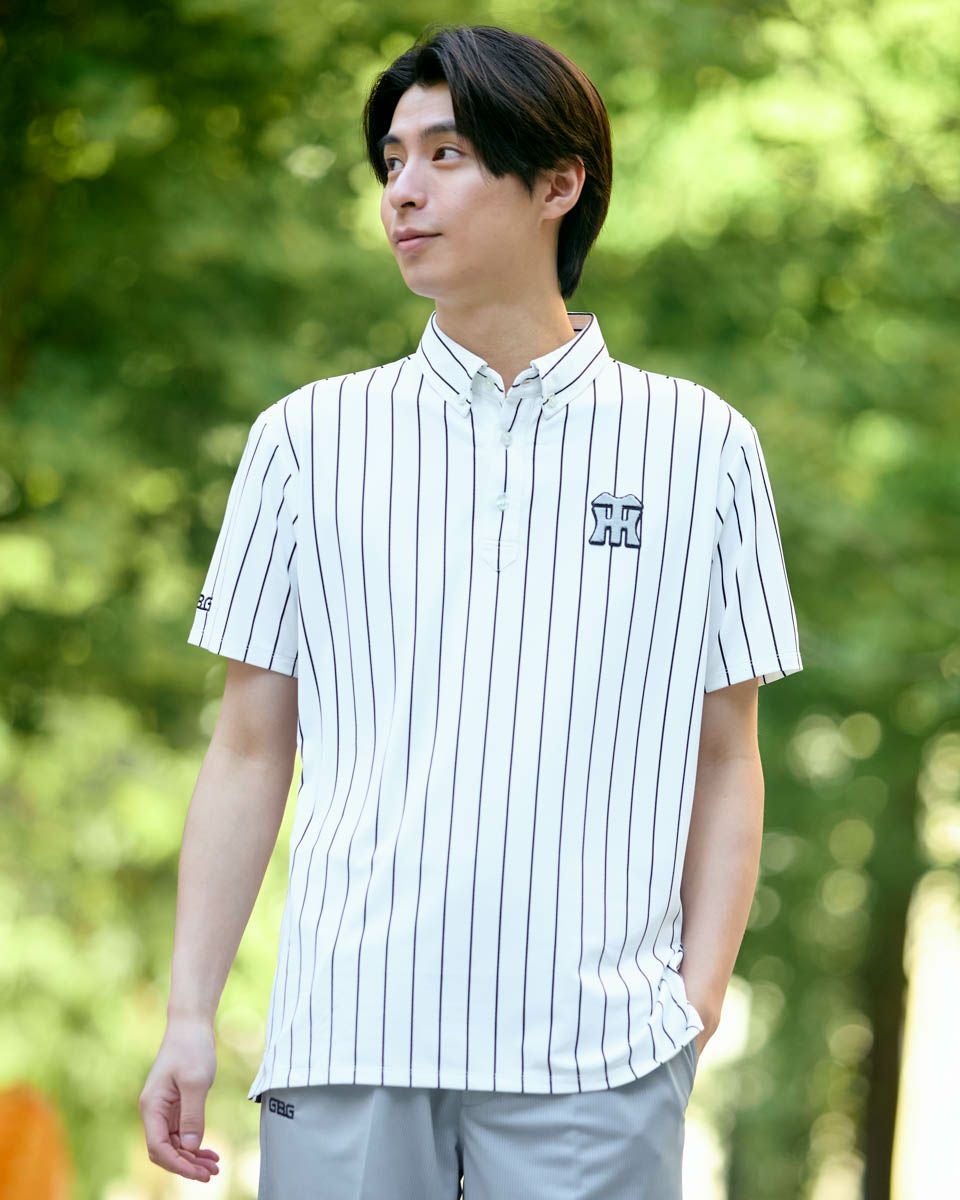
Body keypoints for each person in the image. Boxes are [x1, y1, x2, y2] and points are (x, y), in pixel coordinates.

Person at [139, 21, 803, 1199]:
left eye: (446, 155)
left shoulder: (703, 447)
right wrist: (190, 1013)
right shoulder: (303, 441)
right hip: (347, 1038)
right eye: (392, 161)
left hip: (598, 1060)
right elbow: (248, 745)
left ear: (558, 183)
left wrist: (693, 1007)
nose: (403, 191)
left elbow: (726, 756)